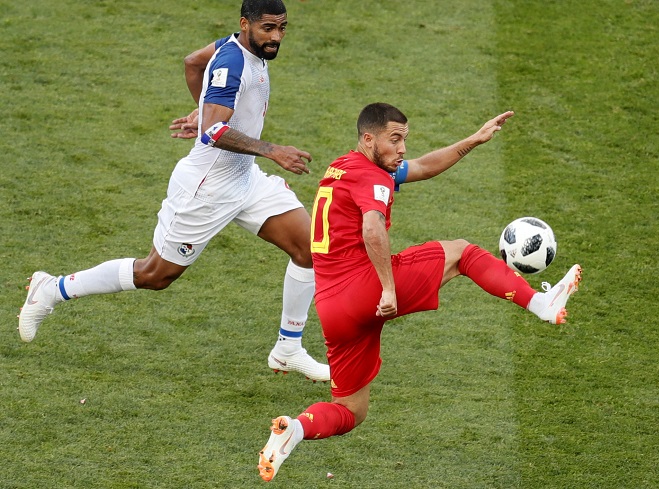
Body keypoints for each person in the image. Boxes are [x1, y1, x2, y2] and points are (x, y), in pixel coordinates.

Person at [257, 103, 583, 481]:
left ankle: (293, 430)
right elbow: (372, 228)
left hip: (332, 308)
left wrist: (473, 141)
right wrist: (388, 288)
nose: (403, 149)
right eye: (395, 140)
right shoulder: (373, 178)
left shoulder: (345, 167)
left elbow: (425, 166)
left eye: (404, 139)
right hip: (366, 288)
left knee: (350, 409)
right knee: (462, 253)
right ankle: (541, 302)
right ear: (368, 139)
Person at [18, 0, 330, 382]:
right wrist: (270, 149)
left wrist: (204, 107)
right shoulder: (233, 63)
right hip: (206, 188)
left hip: (245, 179)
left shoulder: (235, 46)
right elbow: (213, 133)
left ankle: (288, 348)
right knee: (155, 274)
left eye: (282, 28)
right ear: (245, 24)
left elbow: (192, 62)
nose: (276, 37)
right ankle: (53, 288)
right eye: (268, 28)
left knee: (311, 248)